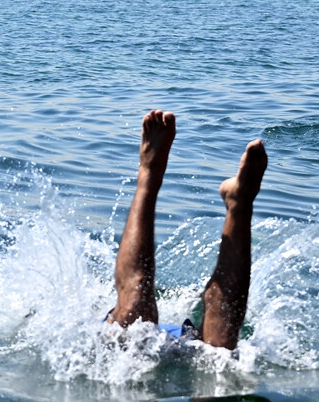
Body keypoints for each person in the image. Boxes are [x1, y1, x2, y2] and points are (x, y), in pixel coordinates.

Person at [106, 109, 266, 349]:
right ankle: (151, 173)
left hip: (159, 349)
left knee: (218, 347)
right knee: (136, 310)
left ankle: (238, 202)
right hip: (152, 349)